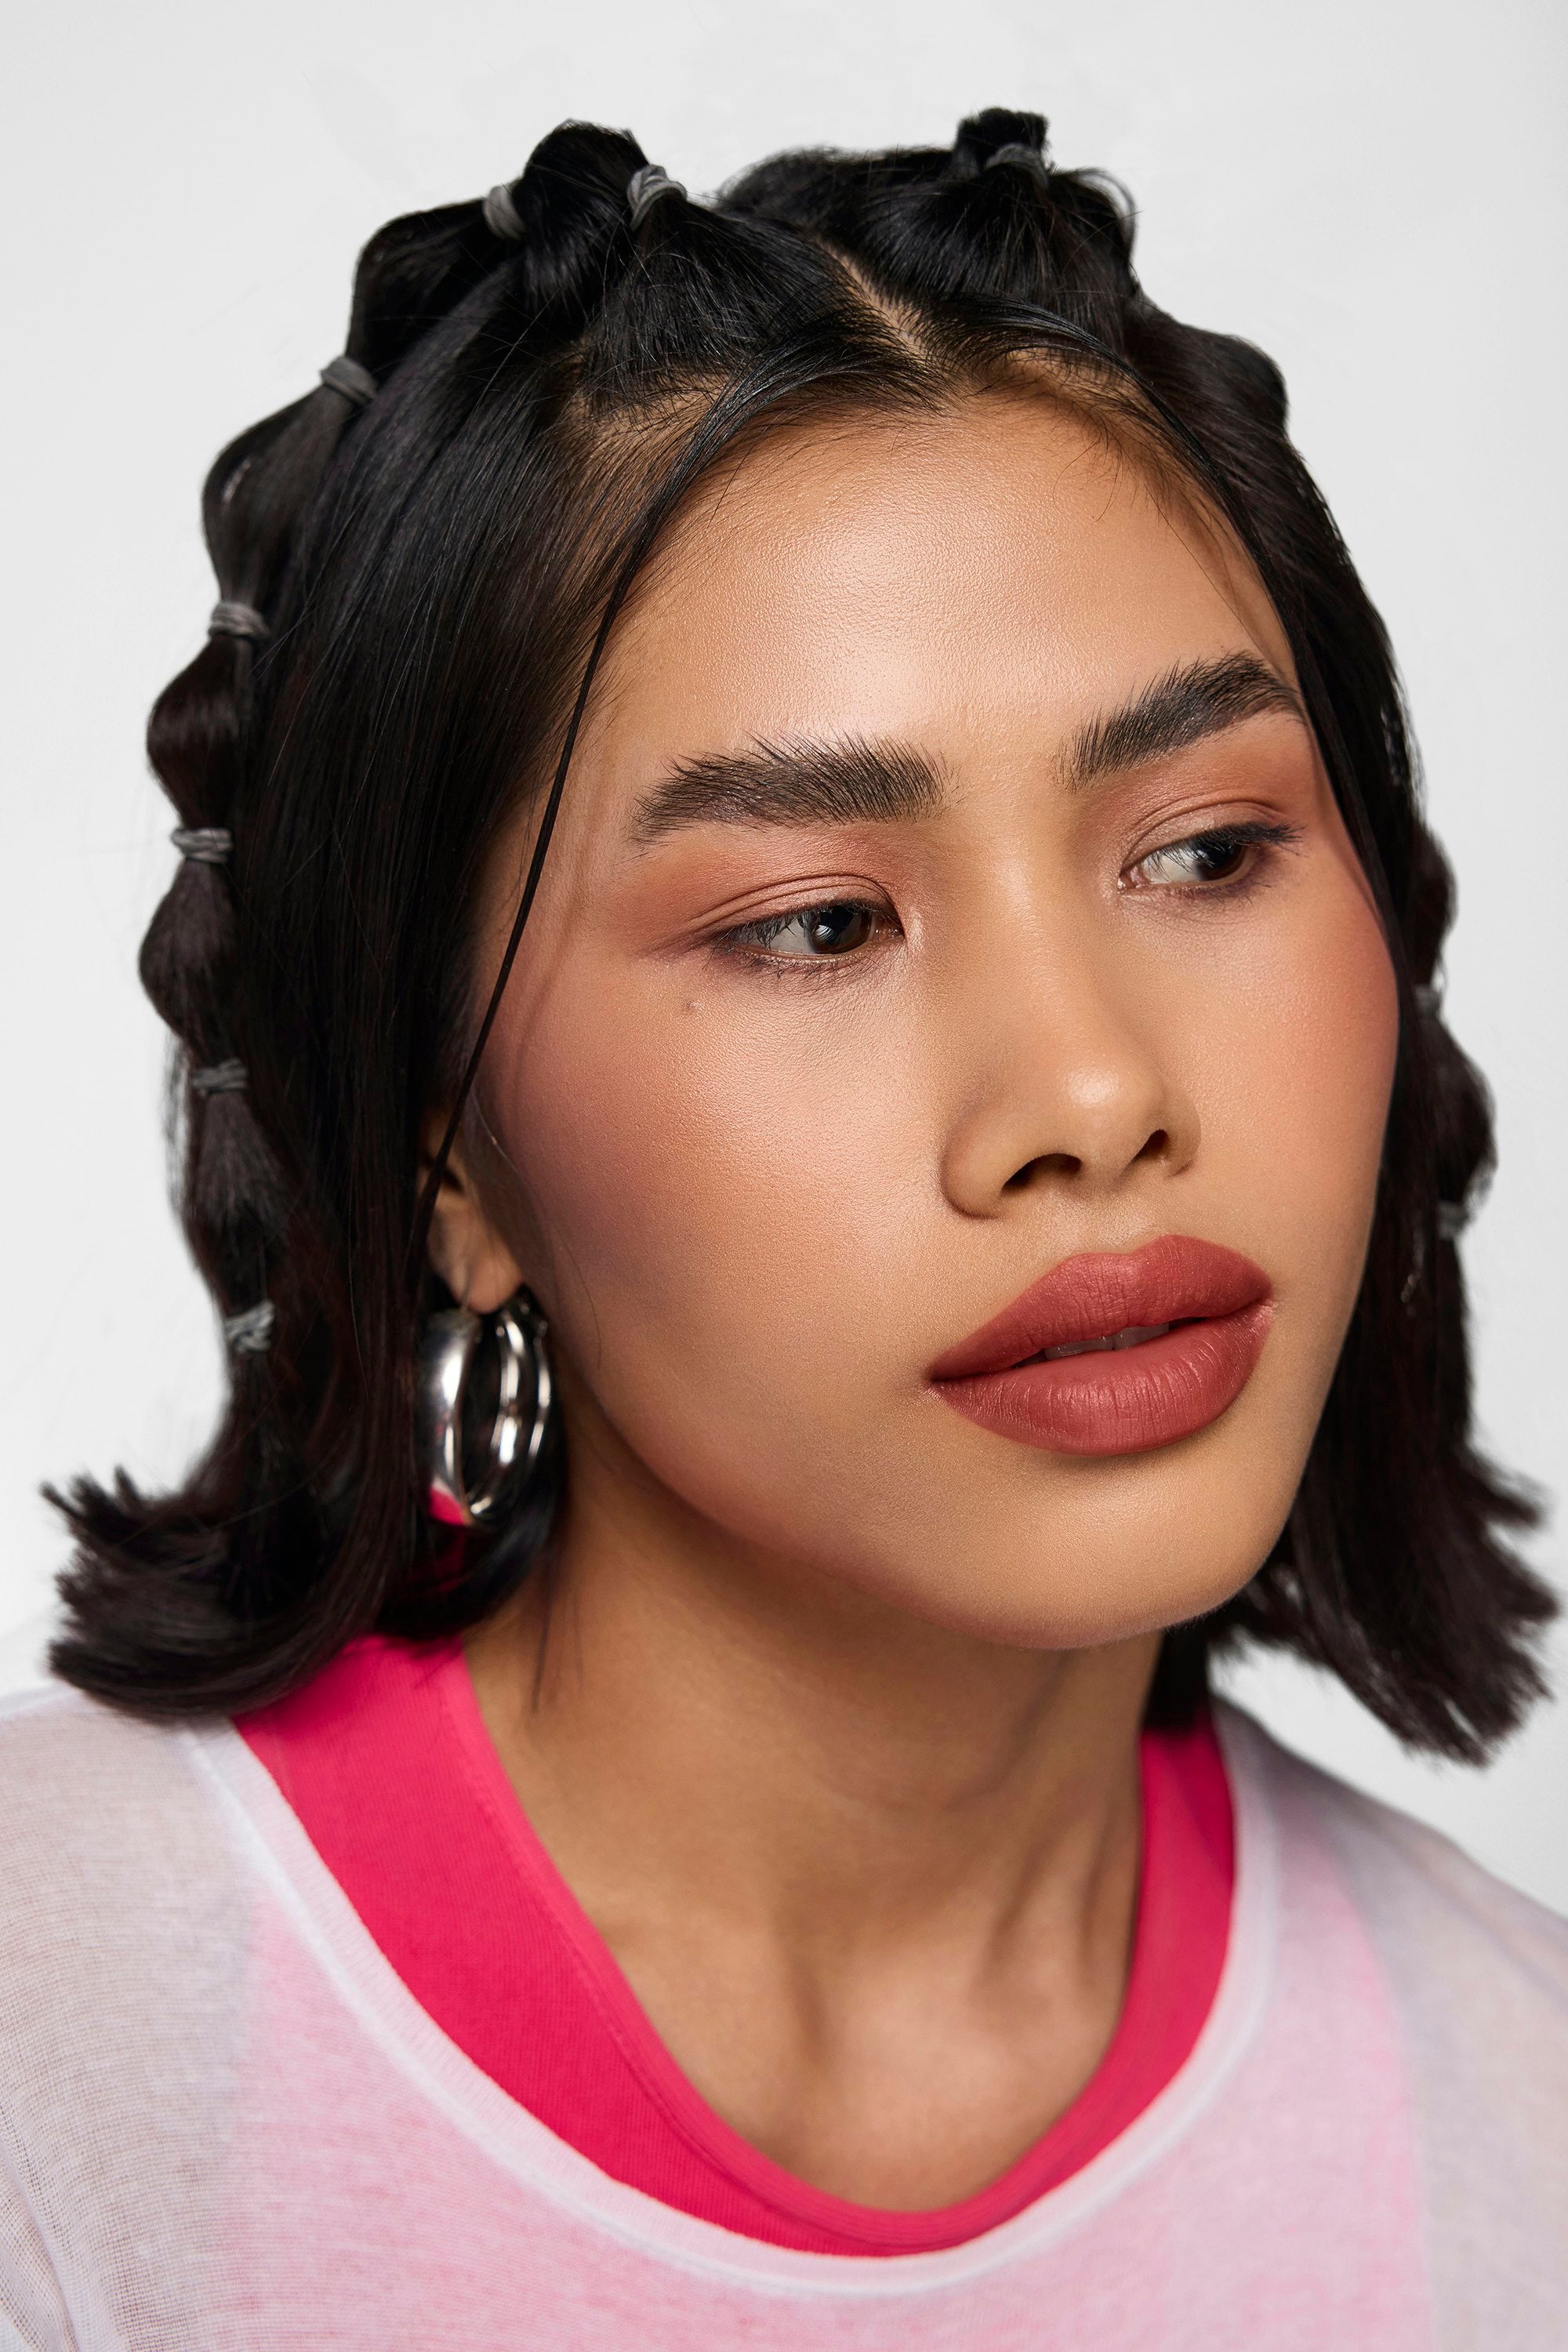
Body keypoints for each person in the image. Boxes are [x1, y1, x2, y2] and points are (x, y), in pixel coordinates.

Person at [1, 107, 1563, 2349]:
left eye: (1210, 852)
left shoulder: (1525, 2141)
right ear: (448, 1155)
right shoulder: (53, 2069)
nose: (1094, 1096)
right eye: (819, 920)